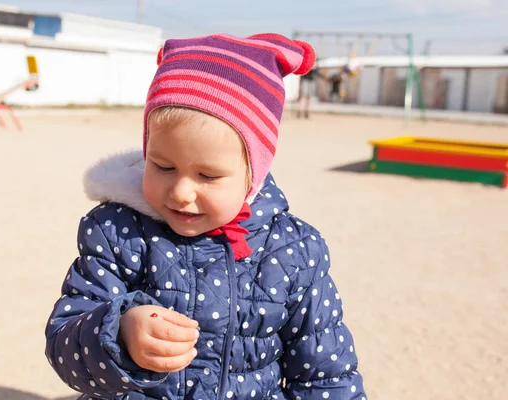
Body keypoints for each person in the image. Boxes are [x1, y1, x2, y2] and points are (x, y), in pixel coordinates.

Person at [45, 33, 367, 400]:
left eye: (208, 176)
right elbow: (64, 340)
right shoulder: (118, 233)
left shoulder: (294, 252)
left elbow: (324, 375)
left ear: (253, 175)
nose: (181, 192)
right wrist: (117, 333)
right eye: (163, 166)